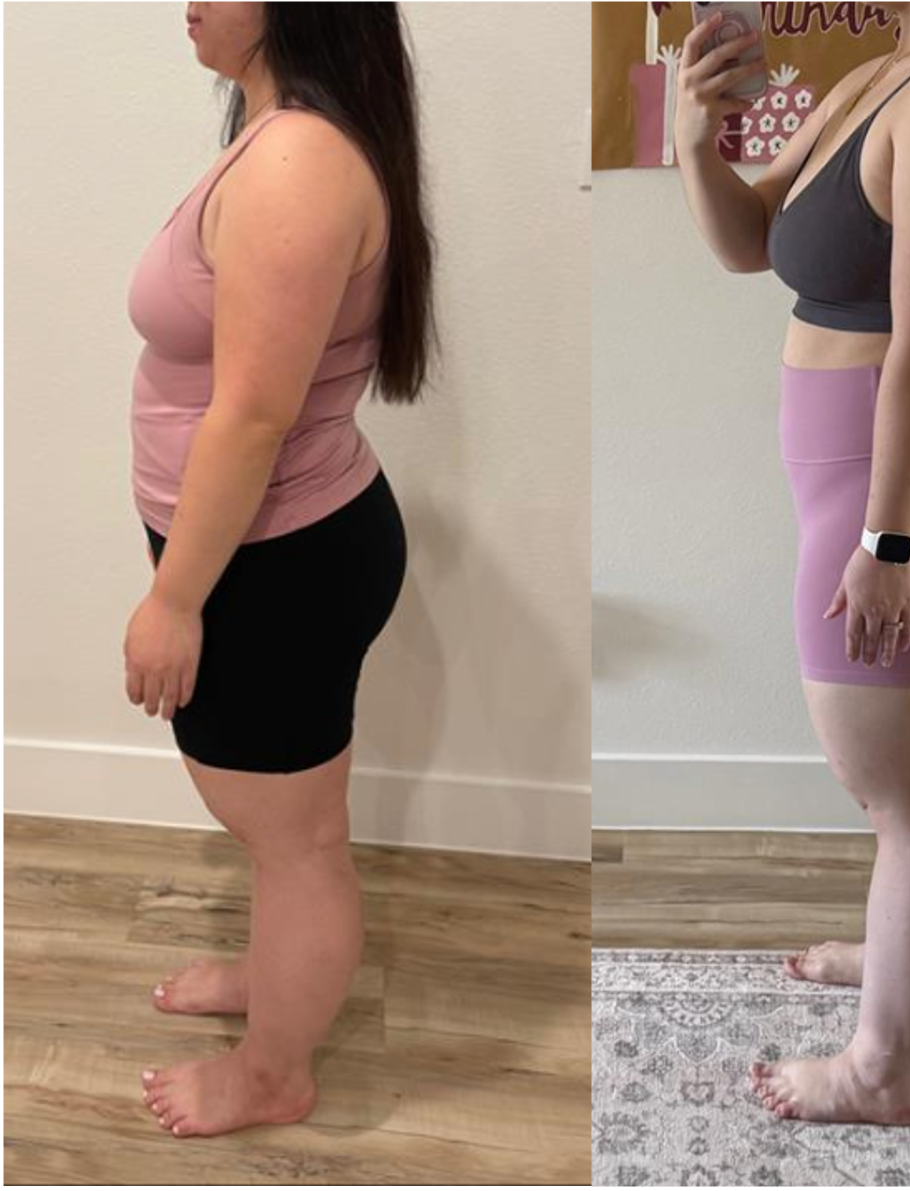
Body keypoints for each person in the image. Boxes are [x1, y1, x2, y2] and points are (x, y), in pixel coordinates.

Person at [673, 0, 910, 1124]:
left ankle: (880, 1074)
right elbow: (748, 243)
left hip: (908, 505)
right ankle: (901, 950)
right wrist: (693, 138)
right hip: (865, 492)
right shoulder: (883, 74)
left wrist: (889, 542)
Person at [126, 1, 435, 1138]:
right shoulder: (280, 137)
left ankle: (274, 1075)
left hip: (273, 564)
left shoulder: (298, 162)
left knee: (296, 841)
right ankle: (274, 977)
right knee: (279, 828)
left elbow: (253, 417)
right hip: (263, 552)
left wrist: (174, 599)